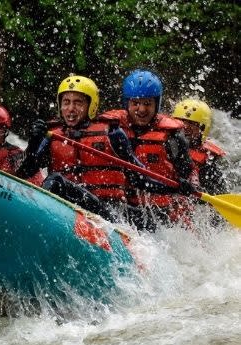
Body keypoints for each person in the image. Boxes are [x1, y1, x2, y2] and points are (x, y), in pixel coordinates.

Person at [16, 75, 143, 222]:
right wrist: (34, 141)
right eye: (66, 102)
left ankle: (36, 219)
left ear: (91, 105)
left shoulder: (113, 133)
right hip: (69, 208)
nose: (70, 109)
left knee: (56, 180)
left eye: (78, 103)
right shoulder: (52, 136)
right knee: (56, 181)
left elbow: (139, 176)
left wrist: (172, 188)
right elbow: (25, 172)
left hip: (107, 212)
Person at [112, 69, 196, 229]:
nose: (141, 109)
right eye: (135, 103)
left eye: (147, 103)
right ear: (126, 104)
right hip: (119, 207)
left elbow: (189, 172)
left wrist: (188, 185)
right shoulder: (112, 130)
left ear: (156, 104)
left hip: (159, 212)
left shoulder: (173, 138)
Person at [172, 99, 228, 195]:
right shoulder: (163, 145)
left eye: (192, 123)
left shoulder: (208, 163)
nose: (185, 126)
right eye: (181, 121)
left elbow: (218, 194)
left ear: (203, 129)